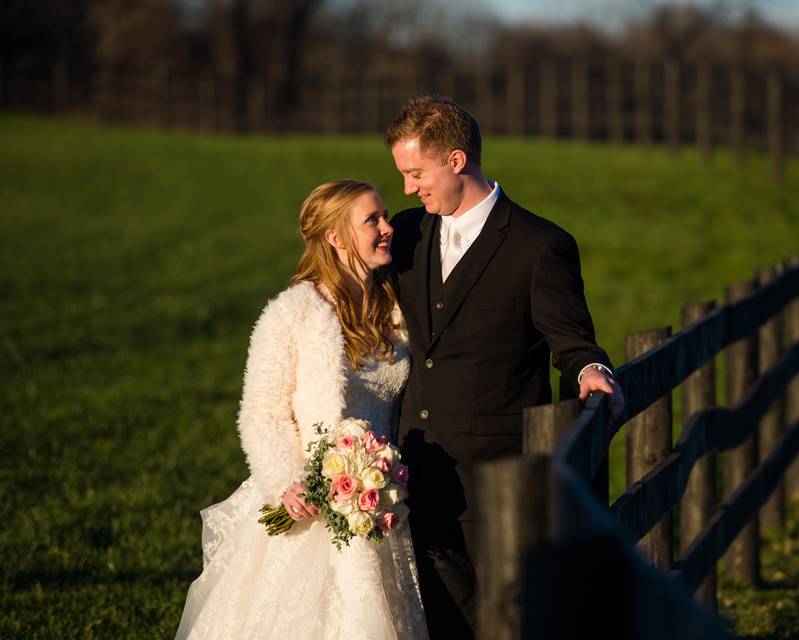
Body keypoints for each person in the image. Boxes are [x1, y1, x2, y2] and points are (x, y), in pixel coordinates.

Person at [386, 96, 625, 638]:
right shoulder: (406, 232)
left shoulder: (540, 246)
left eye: (415, 173)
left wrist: (590, 369)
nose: (407, 188)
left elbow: (572, 340)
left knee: (510, 625)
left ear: (455, 160)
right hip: (413, 473)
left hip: (498, 482)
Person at [176, 180, 428, 640]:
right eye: (372, 220)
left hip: (378, 504)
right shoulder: (292, 313)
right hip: (309, 505)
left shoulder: (393, 308)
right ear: (335, 237)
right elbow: (262, 413)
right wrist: (289, 483)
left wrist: (381, 478)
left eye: (385, 216)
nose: (388, 228)